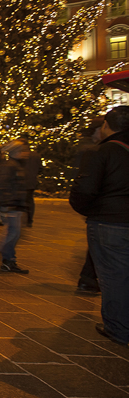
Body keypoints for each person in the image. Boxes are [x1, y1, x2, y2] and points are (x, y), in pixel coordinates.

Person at [69, 106, 129, 347]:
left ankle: (118, 328)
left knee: (114, 276)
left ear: (106, 125)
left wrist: (91, 211)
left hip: (109, 222)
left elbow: (84, 190)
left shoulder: (102, 153)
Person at [73, 116, 105, 295]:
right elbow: (84, 184)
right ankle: (88, 279)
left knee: (96, 245)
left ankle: (88, 279)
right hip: (102, 211)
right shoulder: (93, 150)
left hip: (100, 210)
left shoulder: (96, 149)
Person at [0, 140, 30, 274]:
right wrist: (5, 204)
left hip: (16, 204)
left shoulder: (16, 165)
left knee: (15, 233)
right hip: (11, 205)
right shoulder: (9, 166)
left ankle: (8, 259)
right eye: (23, 151)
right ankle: (2, 255)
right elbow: (2, 186)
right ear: (16, 152)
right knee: (13, 233)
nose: (25, 154)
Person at [19, 135, 42, 227]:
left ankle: (21, 219)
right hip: (31, 181)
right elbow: (40, 168)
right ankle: (29, 220)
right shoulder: (36, 155)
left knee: (21, 200)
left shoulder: (20, 155)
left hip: (21, 181)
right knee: (29, 200)